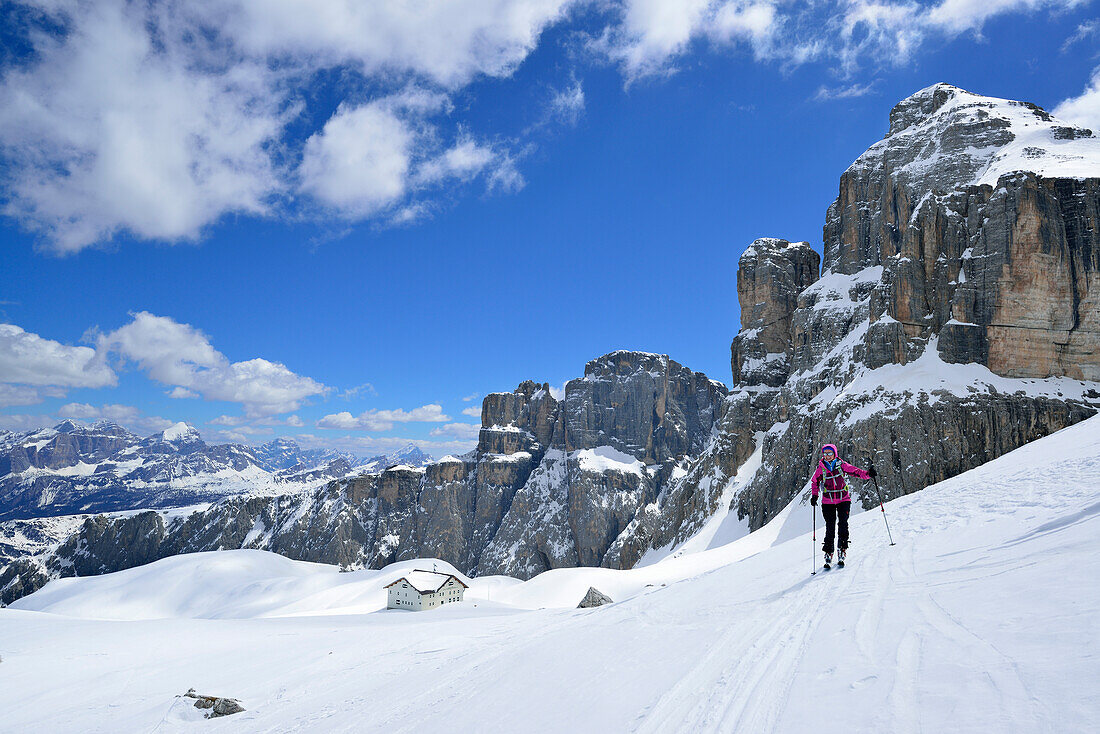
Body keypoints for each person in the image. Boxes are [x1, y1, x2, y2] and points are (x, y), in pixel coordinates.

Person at [810, 444, 875, 567]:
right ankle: (829, 552)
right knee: (830, 527)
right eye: (825, 453)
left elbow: (856, 472)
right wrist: (815, 496)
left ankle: (842, 548)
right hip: (827, 502)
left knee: (843, 524)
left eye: (829, 453)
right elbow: (815, 482)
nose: (827, 456)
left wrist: (868, 474)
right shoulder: (821, 468)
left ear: (834, 454)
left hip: (843, 500)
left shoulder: (842, 465)